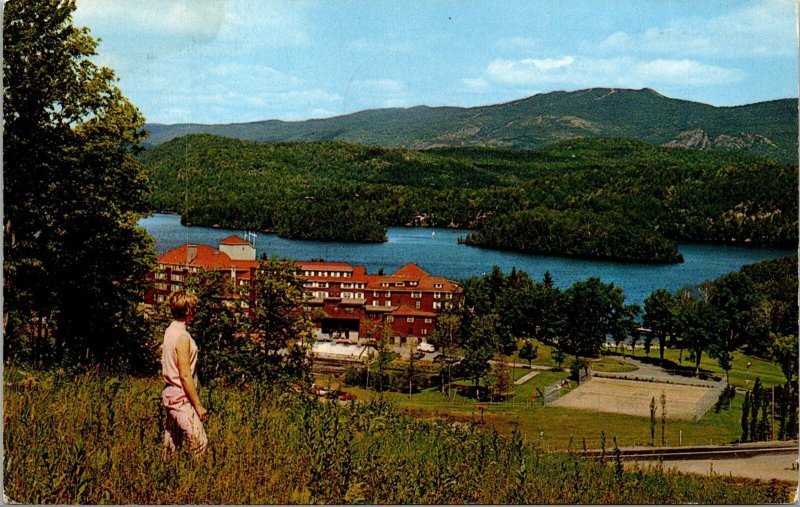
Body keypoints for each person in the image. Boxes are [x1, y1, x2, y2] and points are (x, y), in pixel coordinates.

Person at [162, 290, 208, 457]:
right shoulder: (182, 337)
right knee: (199, 442)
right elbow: (185, 375)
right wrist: (198, 406)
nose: (195, 310)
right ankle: (195, 479)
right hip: (180, 396)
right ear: (188, 310)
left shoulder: (170, 331)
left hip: (170, 393)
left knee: (172, 444)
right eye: (193, 307)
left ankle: (165, 476)